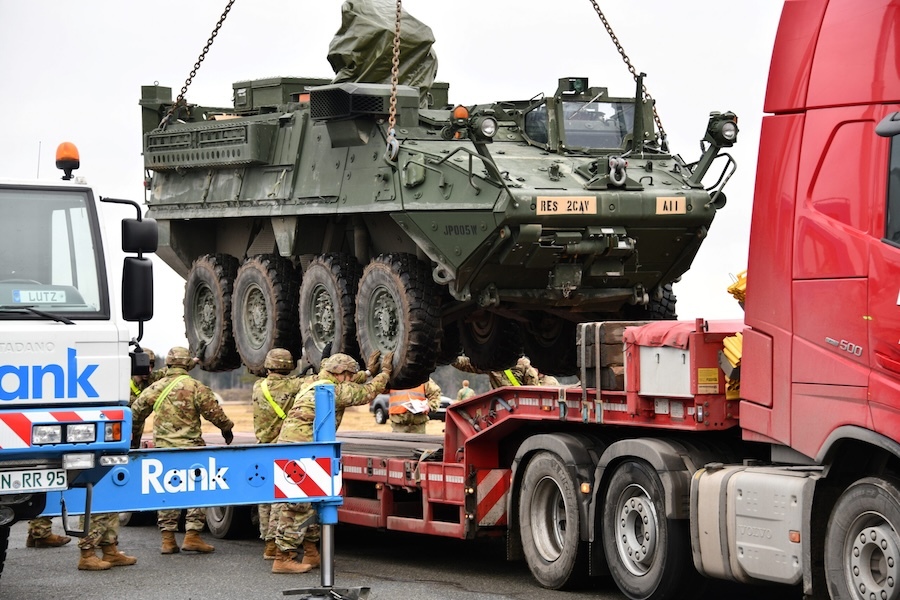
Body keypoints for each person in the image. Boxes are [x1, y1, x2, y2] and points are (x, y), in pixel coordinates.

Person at [269, 351, 392, 574]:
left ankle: (311, 553)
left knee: (315, 501)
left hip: (296, 447)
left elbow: (354, 383)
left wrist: (368, 372)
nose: (351, 378)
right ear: (341, 373)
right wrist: (384, 373)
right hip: (303, 450)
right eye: (349, 374)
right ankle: (283, 557)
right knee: (300, 505)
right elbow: (366, 392)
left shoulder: (316, 381)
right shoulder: (333, 389)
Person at [131, 346, 235, 555]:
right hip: (191, 450)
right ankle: (192, 536)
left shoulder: (156, 387)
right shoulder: (196, 387)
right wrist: (227, 429)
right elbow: (215, 413)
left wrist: (133, 438)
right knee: (198, 490)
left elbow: (136, 412)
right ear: (187, 364)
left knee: (167, 491)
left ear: (167, 364)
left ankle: (168, 540)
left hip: (164, 451)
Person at [253, 348, 303, 562]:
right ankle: (275, 544)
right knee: (279, 499)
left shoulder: (258, 386)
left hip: (262, 446)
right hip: (281, 448)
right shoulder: (293, 385)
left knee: (265, 498)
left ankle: (267, 543)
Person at [452, 355, 539, 389]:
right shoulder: (524, 363)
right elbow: (533, 386)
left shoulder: (493, 363)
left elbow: (467, 365)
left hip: (500, 404)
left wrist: (450, 357)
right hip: (520, 404)